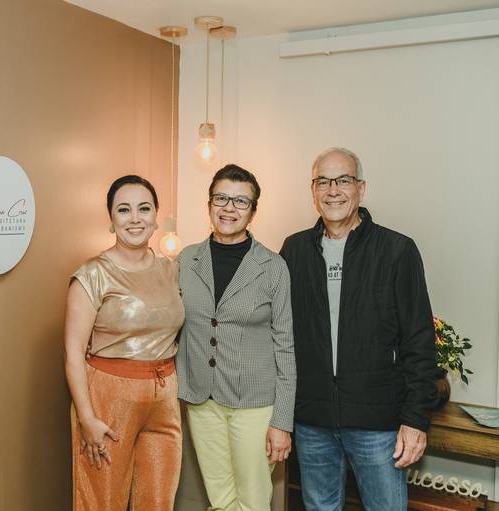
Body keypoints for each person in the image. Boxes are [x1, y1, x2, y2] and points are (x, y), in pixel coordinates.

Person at [279, 147, 437, 511]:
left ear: (361, 188)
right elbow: (280, 335)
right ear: (313, 191)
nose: (333, 190)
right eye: (323, 181)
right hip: (312, 421)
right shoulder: (294, 250)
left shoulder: (397, 250)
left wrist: (415, 420)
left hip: (377, 424)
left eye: (344, 180)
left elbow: (419, 341)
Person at [176, 164, 296, 511]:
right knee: (221, 498)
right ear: (209, 204)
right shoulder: (186, 259)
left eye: (241, 201)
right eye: (221, 198)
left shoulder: (273, 267)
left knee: (253, 500)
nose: (229, 208)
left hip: (255, 404)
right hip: (202, 401)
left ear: (253, 211)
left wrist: (282, 421)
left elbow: (285, 346)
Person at [64, 175, 185, 510]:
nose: (135, 218)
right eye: (123, 209)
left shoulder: (170, 270)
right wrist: (86, 418)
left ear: (156, 216)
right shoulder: (92, 274)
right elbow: (73, 354)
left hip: (165, 399)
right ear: (111, 219)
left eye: (144, 209)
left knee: (159, 502)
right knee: (102, 501)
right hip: (108, 398)